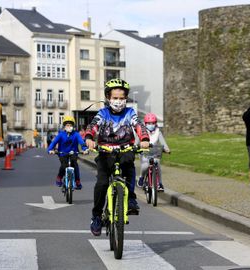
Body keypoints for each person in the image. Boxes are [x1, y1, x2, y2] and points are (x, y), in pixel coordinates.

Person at [84, 78, 150, 236]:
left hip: (125, 149)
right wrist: (89, 137)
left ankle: (132, 198)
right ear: (108, 97)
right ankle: (97, 216)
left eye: (122, 98)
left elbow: (139, 125)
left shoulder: (130, 113)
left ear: (126, 99)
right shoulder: (103, 113)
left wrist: (145, 139)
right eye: (115, 98)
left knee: (129, 167)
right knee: (101, 183)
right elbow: (93, 125)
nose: (118, 101)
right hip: (105, 152)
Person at [48, 116, 87, 190]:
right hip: (62, 153)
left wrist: (85, 149)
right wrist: (50, 150)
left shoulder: (76, 134)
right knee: (64, 165)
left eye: (71, 125)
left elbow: (81, 142)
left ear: (73, 126)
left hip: (74, 153)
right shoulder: (61, 134)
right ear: (64, 126)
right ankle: (59, 177)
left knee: (75, 165)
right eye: (67, 125)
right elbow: (53, 143)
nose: (69, 127)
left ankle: (77, 181)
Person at [137, 113, 170, 191]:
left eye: (153, 123)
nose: (151, 125)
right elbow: (136, 142)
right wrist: (136, 146)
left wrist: (166, 149)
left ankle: (159, 183)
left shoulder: (158, 132)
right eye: (149, 123)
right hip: (144, 152)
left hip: (155, 152)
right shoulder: (142, 131)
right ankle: (141, 177)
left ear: (155, 123)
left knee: (157, 164)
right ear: (145, 124)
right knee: (145, 165)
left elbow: (163, 142)